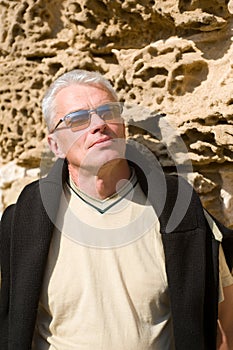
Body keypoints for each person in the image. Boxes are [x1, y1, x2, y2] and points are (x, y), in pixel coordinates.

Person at [0, 69, 233, 350]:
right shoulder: (23, 222)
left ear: (123, 125)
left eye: (108, 111)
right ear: (55, 146)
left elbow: (225, 318)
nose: (99, 124)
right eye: (77, 119)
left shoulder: (178, 210)